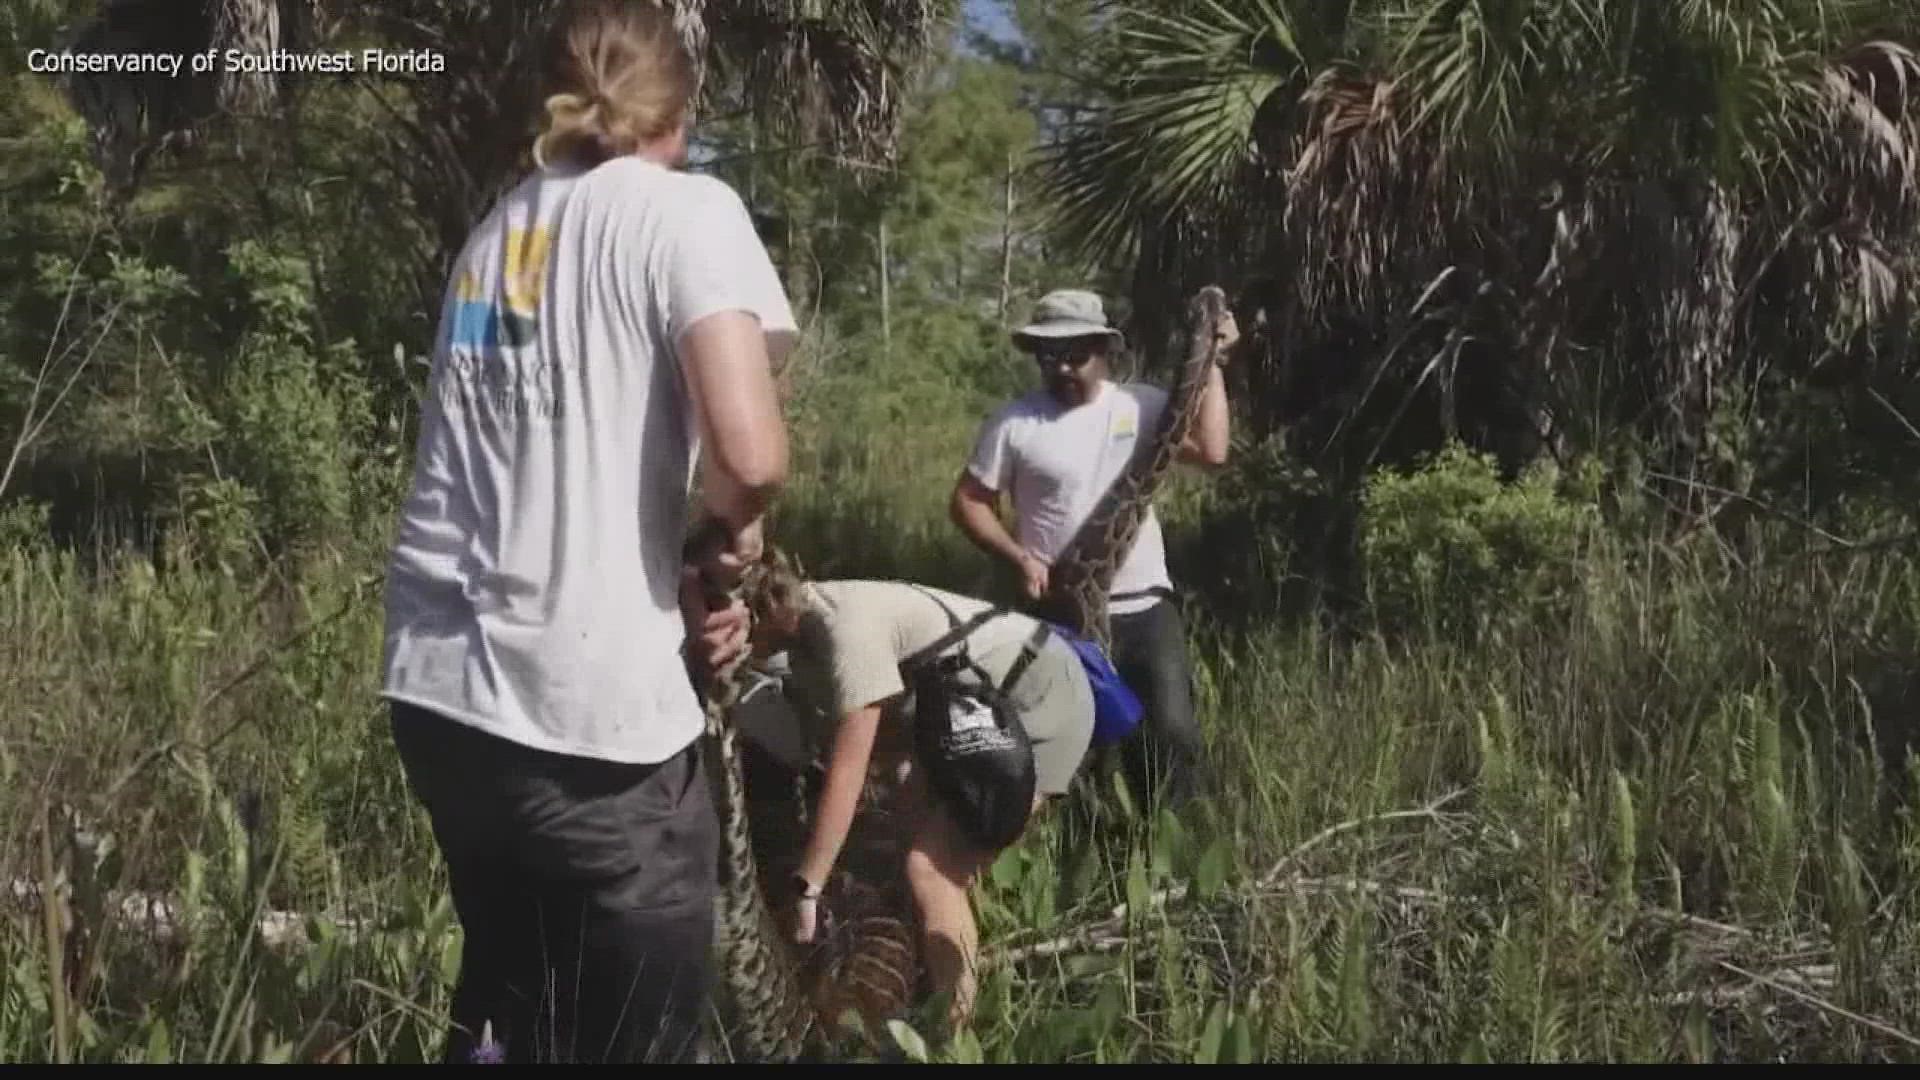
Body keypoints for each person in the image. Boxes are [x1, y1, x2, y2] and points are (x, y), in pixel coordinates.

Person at [377, 0, 794, 1064]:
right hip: (586, 720)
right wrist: (720, 542)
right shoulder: (685, 212)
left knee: (516, 1007)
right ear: (680, 112)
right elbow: (750, 458)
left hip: (440, 700)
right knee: (634, 1035)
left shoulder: (497, 234)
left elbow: (527, 442)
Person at [739, 547, 1096, 1035]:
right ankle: (937, 982)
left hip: (1038, 699)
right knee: (908, 835)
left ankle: (952, 1038)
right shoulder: (804, 638)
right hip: (965, 717)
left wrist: (808, 887)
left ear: (760, 613)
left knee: (932, 870)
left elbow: (850, 770)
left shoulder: (847, 633)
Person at [949, 288, 1236, 816]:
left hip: (1145, 605)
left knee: (1172, 733)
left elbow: (1214, 451)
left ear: (1105, 350)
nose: (1060, 367)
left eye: (1074, 354)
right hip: (1059, 612)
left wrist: (1212, 361)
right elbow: (968, 502)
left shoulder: (1144, 405)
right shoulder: (1015, 423)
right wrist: (1019, 557)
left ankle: (1179, 850)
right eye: (1047, 355)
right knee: (1074, 743)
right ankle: (1088, 849)